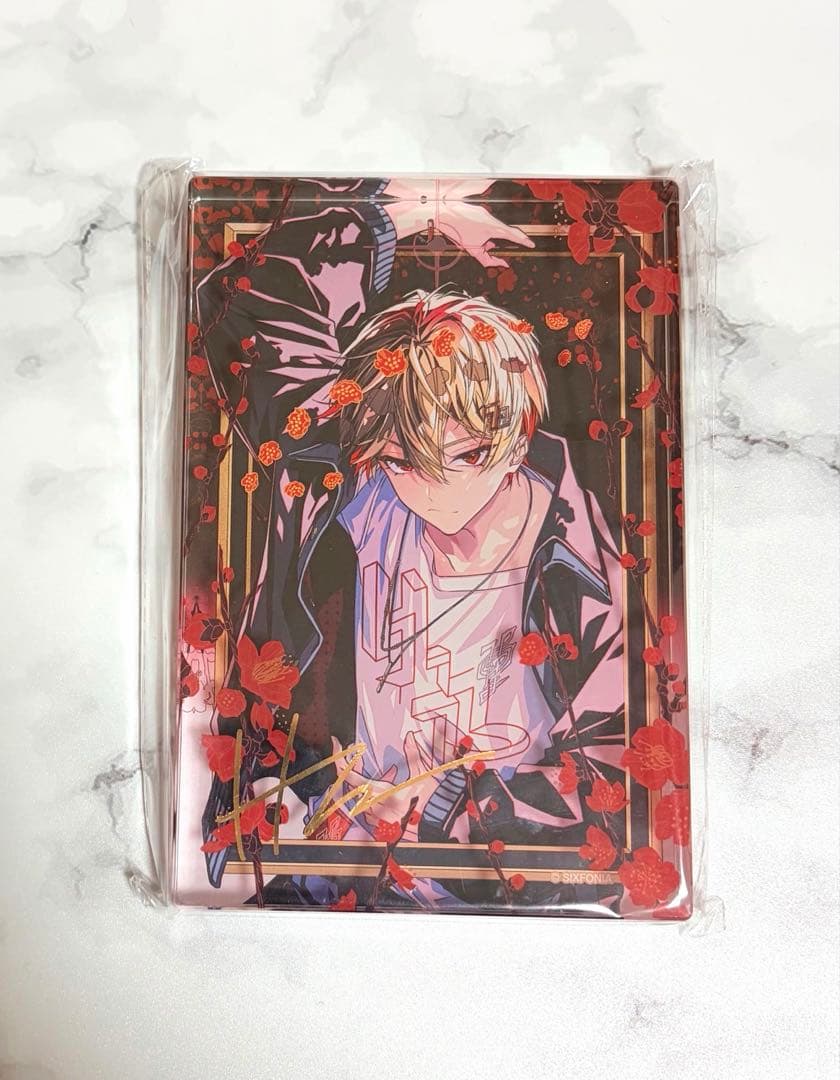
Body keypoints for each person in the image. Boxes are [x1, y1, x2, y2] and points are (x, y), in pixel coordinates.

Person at [196, 177, 626, 897]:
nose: (434, 489)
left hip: (500, 900)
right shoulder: (347, 487)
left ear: (517, 438)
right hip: (328, 875)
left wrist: (447, 805)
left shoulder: (586, 569)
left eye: (466, 457)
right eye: (402, 461)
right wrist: (397, 214)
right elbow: (242, 309)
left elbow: (617, 788)